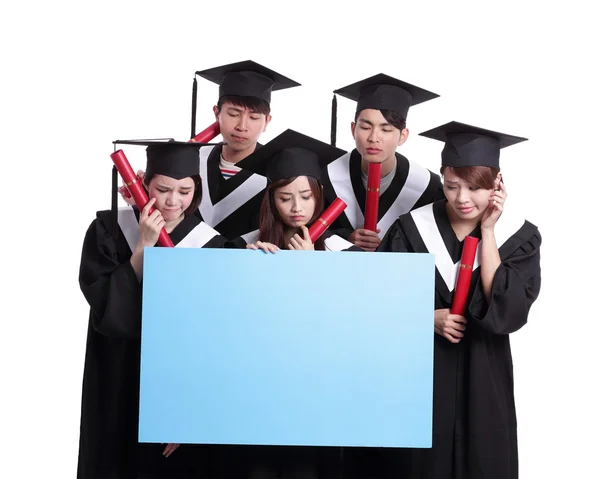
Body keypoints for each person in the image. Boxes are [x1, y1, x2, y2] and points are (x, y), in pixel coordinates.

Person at [377, 121, 542, 478]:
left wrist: (488, 231)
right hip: (422, 374)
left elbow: (508, 313)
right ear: (442, 177)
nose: (462, 198)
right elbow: (379, 301)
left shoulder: (520, 236)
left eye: (475, 188)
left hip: (484, 373)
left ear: (497, 183)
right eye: (452, 186)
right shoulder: (410, 229)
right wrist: (426, 318)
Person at [77, 139, 229, 479]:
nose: (174, 201)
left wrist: (189, 408)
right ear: (143, 185)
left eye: (185, 191)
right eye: (163, 189)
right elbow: (106, 308)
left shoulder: (211, 243)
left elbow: (214, 333)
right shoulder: (108, 229)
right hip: (117, 373)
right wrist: (144, 245)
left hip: (178, 378)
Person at [321, 73, 446, 251]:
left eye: (386, 129)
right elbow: (304, 228)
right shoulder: (327, 178)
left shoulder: (428, 187)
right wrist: (345, 237)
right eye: (365, 127)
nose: (373, 138)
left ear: (403, 136)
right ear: (352, 129)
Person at [190, 59, 301, 241]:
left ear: (267, 121)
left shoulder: (279, 171)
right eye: (233, 114)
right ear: (217, 113)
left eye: (254, 117)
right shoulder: (193, 160)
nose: (242, 126)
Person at [234, 128, 362, 254]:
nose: (297, 208)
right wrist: (251, 260)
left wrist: (311, 261)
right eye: (285, 199)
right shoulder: (248, 244)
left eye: (306, 197)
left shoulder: (341, 250)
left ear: (319, 194)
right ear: (271, 199)